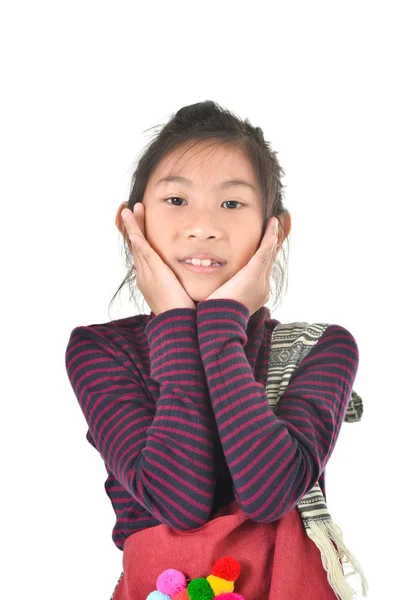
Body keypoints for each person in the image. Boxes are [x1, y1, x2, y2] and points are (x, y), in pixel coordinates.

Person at [65, 101, 360, 599]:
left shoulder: (320, 348)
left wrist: (220, 327)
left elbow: (269, 495)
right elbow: (179, 502)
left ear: (276, 230)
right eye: (177, 200)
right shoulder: (100, 350)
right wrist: (178, 324)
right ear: (130, 223)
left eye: (231, 204)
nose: (202, 226)